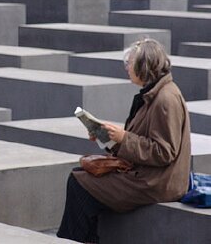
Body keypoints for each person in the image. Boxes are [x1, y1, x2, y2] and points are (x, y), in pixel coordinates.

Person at [57, 38, 191, 244]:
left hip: (156, 182)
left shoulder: (166, 99)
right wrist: (108, 137)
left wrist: (124, 138)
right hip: (147, 174)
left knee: (78, 184)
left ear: (144, 66)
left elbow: (164, 152)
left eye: (129, 63)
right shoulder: (155, 93)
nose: (126, 68)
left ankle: (70, 240)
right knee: (80, 175)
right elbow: (143, 140)